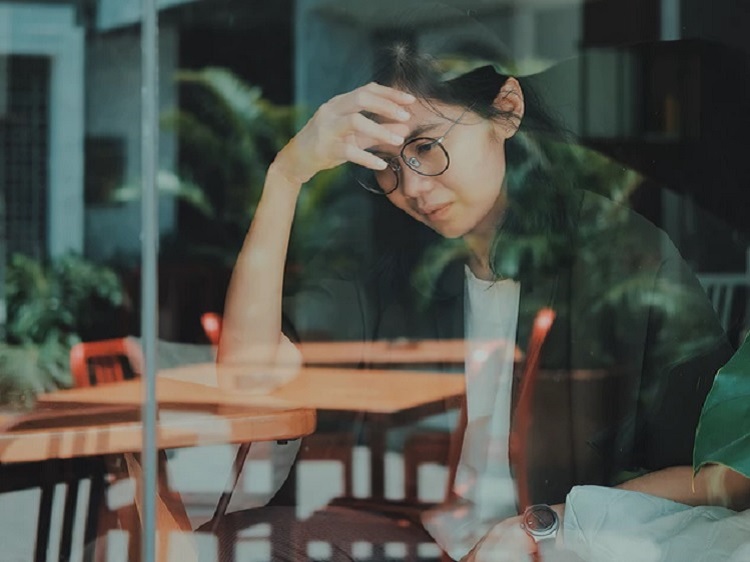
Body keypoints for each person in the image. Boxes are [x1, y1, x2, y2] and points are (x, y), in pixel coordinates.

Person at [212, 41, 749, 561]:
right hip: (421, 541)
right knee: (229, 542)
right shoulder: (391, 262)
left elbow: (723, 474)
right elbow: (249, 374)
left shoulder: (623, 256)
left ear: (506, 110)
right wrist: (286, 175)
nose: (412, 189)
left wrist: (546, 525)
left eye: (425, 147)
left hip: (560, 546)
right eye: (386, 165)